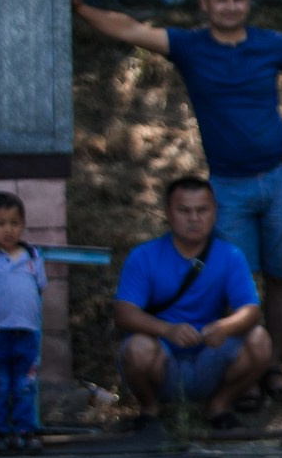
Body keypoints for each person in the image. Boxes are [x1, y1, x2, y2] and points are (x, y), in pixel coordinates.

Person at [71, 0, 282, 399]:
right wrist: (80, 8)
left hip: (281, 177)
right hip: (227, 187)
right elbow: (130, 28)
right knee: (238, 282)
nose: (230, 6)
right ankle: (241, 372)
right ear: (205, 4)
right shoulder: (190, 46)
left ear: (246, 4)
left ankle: (273, 367)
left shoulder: (270, 43)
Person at [110, 176, 273, 433]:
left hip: (210, 354)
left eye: (202, 210)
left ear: (214, 212)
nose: (194, 218)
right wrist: (167, 330)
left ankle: (219, 406)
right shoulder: (143, 256)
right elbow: (123, 313)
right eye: (184, 210)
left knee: (260, 339)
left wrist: (223, 327)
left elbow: (251, 310)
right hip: (162, 356)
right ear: (167, 213)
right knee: (137, 347)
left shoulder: (230, 256)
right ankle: (150, 411)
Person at [0, 193, 46, 454]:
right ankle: (1, 432)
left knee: (25, 385)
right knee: (0, 384)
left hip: (27, 334)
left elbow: (39, 290)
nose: (8, 229)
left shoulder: (32, 257)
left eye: (14, 223)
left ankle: (24, 431)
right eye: (0, 223)